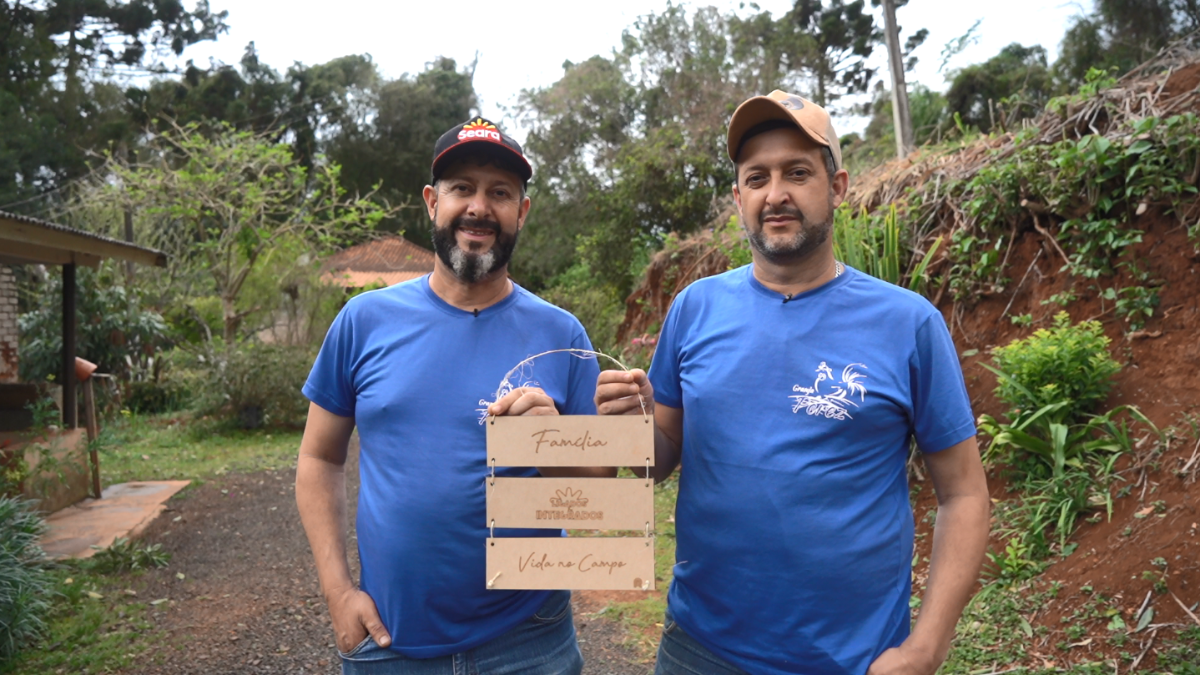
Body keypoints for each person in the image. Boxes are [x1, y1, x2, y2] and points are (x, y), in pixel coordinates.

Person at [595, 91, 991, 675]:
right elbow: (659, 461)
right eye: (757, 177)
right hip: (698, 649)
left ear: (837, 187)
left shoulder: (908, 324)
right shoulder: (694, 308)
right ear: (738, 198)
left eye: (797, 173)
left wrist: (926, 648)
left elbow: (964, 495)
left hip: (851, 658)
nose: (775, 194)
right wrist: (630, 427)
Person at [297, 117, 610, 674]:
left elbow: (600, 485)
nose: (479, 208)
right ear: (431, 201)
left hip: (529, 639)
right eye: (462, 188)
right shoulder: (364, 320)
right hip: (392, 641)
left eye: (500, 193)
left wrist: (554, 441)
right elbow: (320, 457)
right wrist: (337, 591)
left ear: (523, 211)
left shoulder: (561, 335)